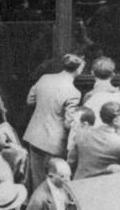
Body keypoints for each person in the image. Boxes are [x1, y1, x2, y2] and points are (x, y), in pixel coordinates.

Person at [23, 54, 83, 193]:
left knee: (37, 180)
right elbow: (69, 123)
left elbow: (30, 101)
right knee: (54, 182)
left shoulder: (45, 78)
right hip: (54, 142)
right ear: (79, 69)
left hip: (35, 135)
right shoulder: (74, 92)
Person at [70, 101, 120, 179]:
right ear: (116, 120)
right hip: (100, 187)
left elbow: (71, 164)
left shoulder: (81, 135)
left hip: (78, 184)